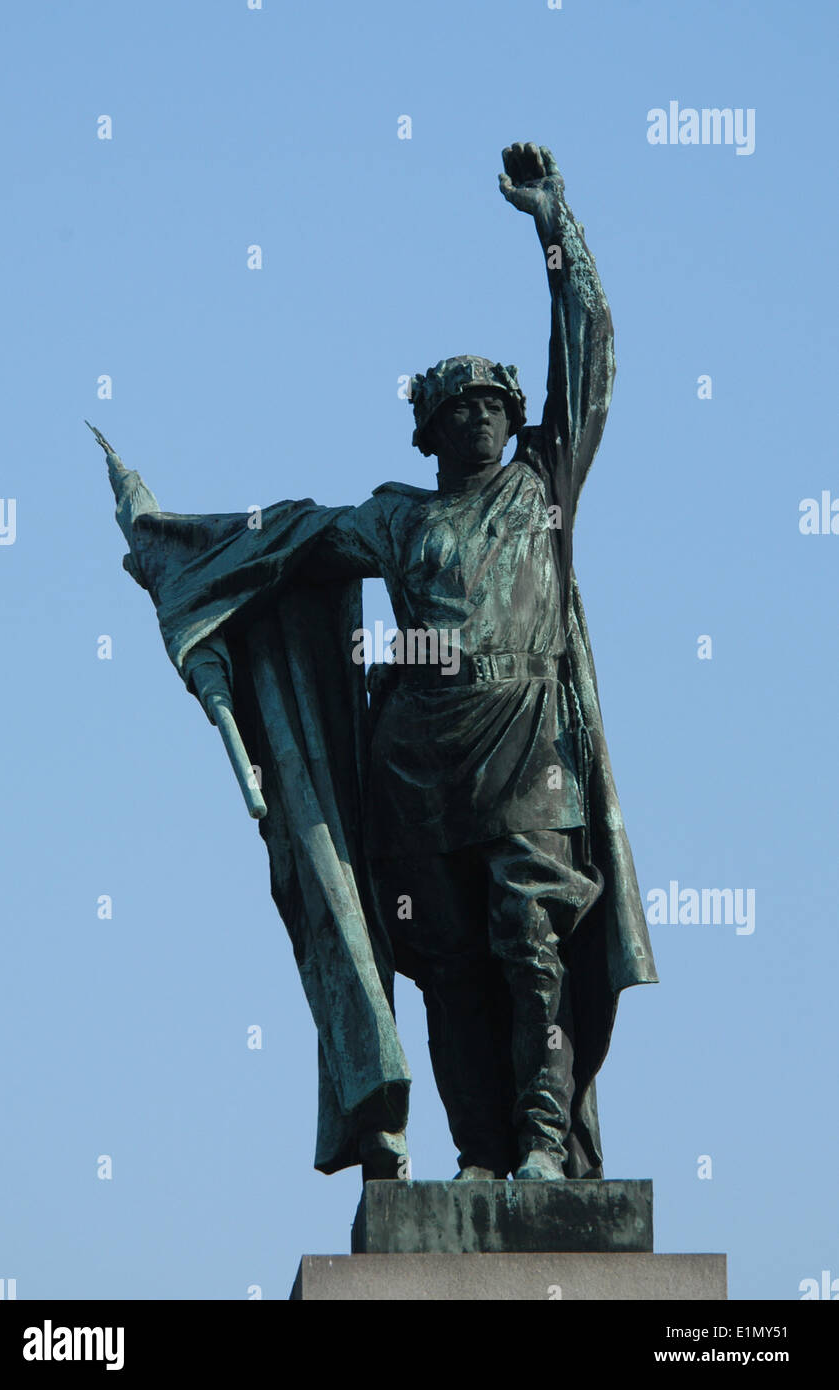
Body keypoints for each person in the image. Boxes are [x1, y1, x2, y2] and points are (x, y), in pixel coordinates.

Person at [98, 143, 657, 1183]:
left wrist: (553, 225)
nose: (483, 414)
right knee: (448, 967)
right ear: (430, 431)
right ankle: (482, 1157)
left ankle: (542, 1141)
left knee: (529, 945)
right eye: (463, 407)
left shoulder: (543, 483)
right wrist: (172, 544)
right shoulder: (396, 519)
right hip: (418, 768)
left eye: (495, 401)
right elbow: (283, 543)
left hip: (528, 750)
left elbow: (590, 349)